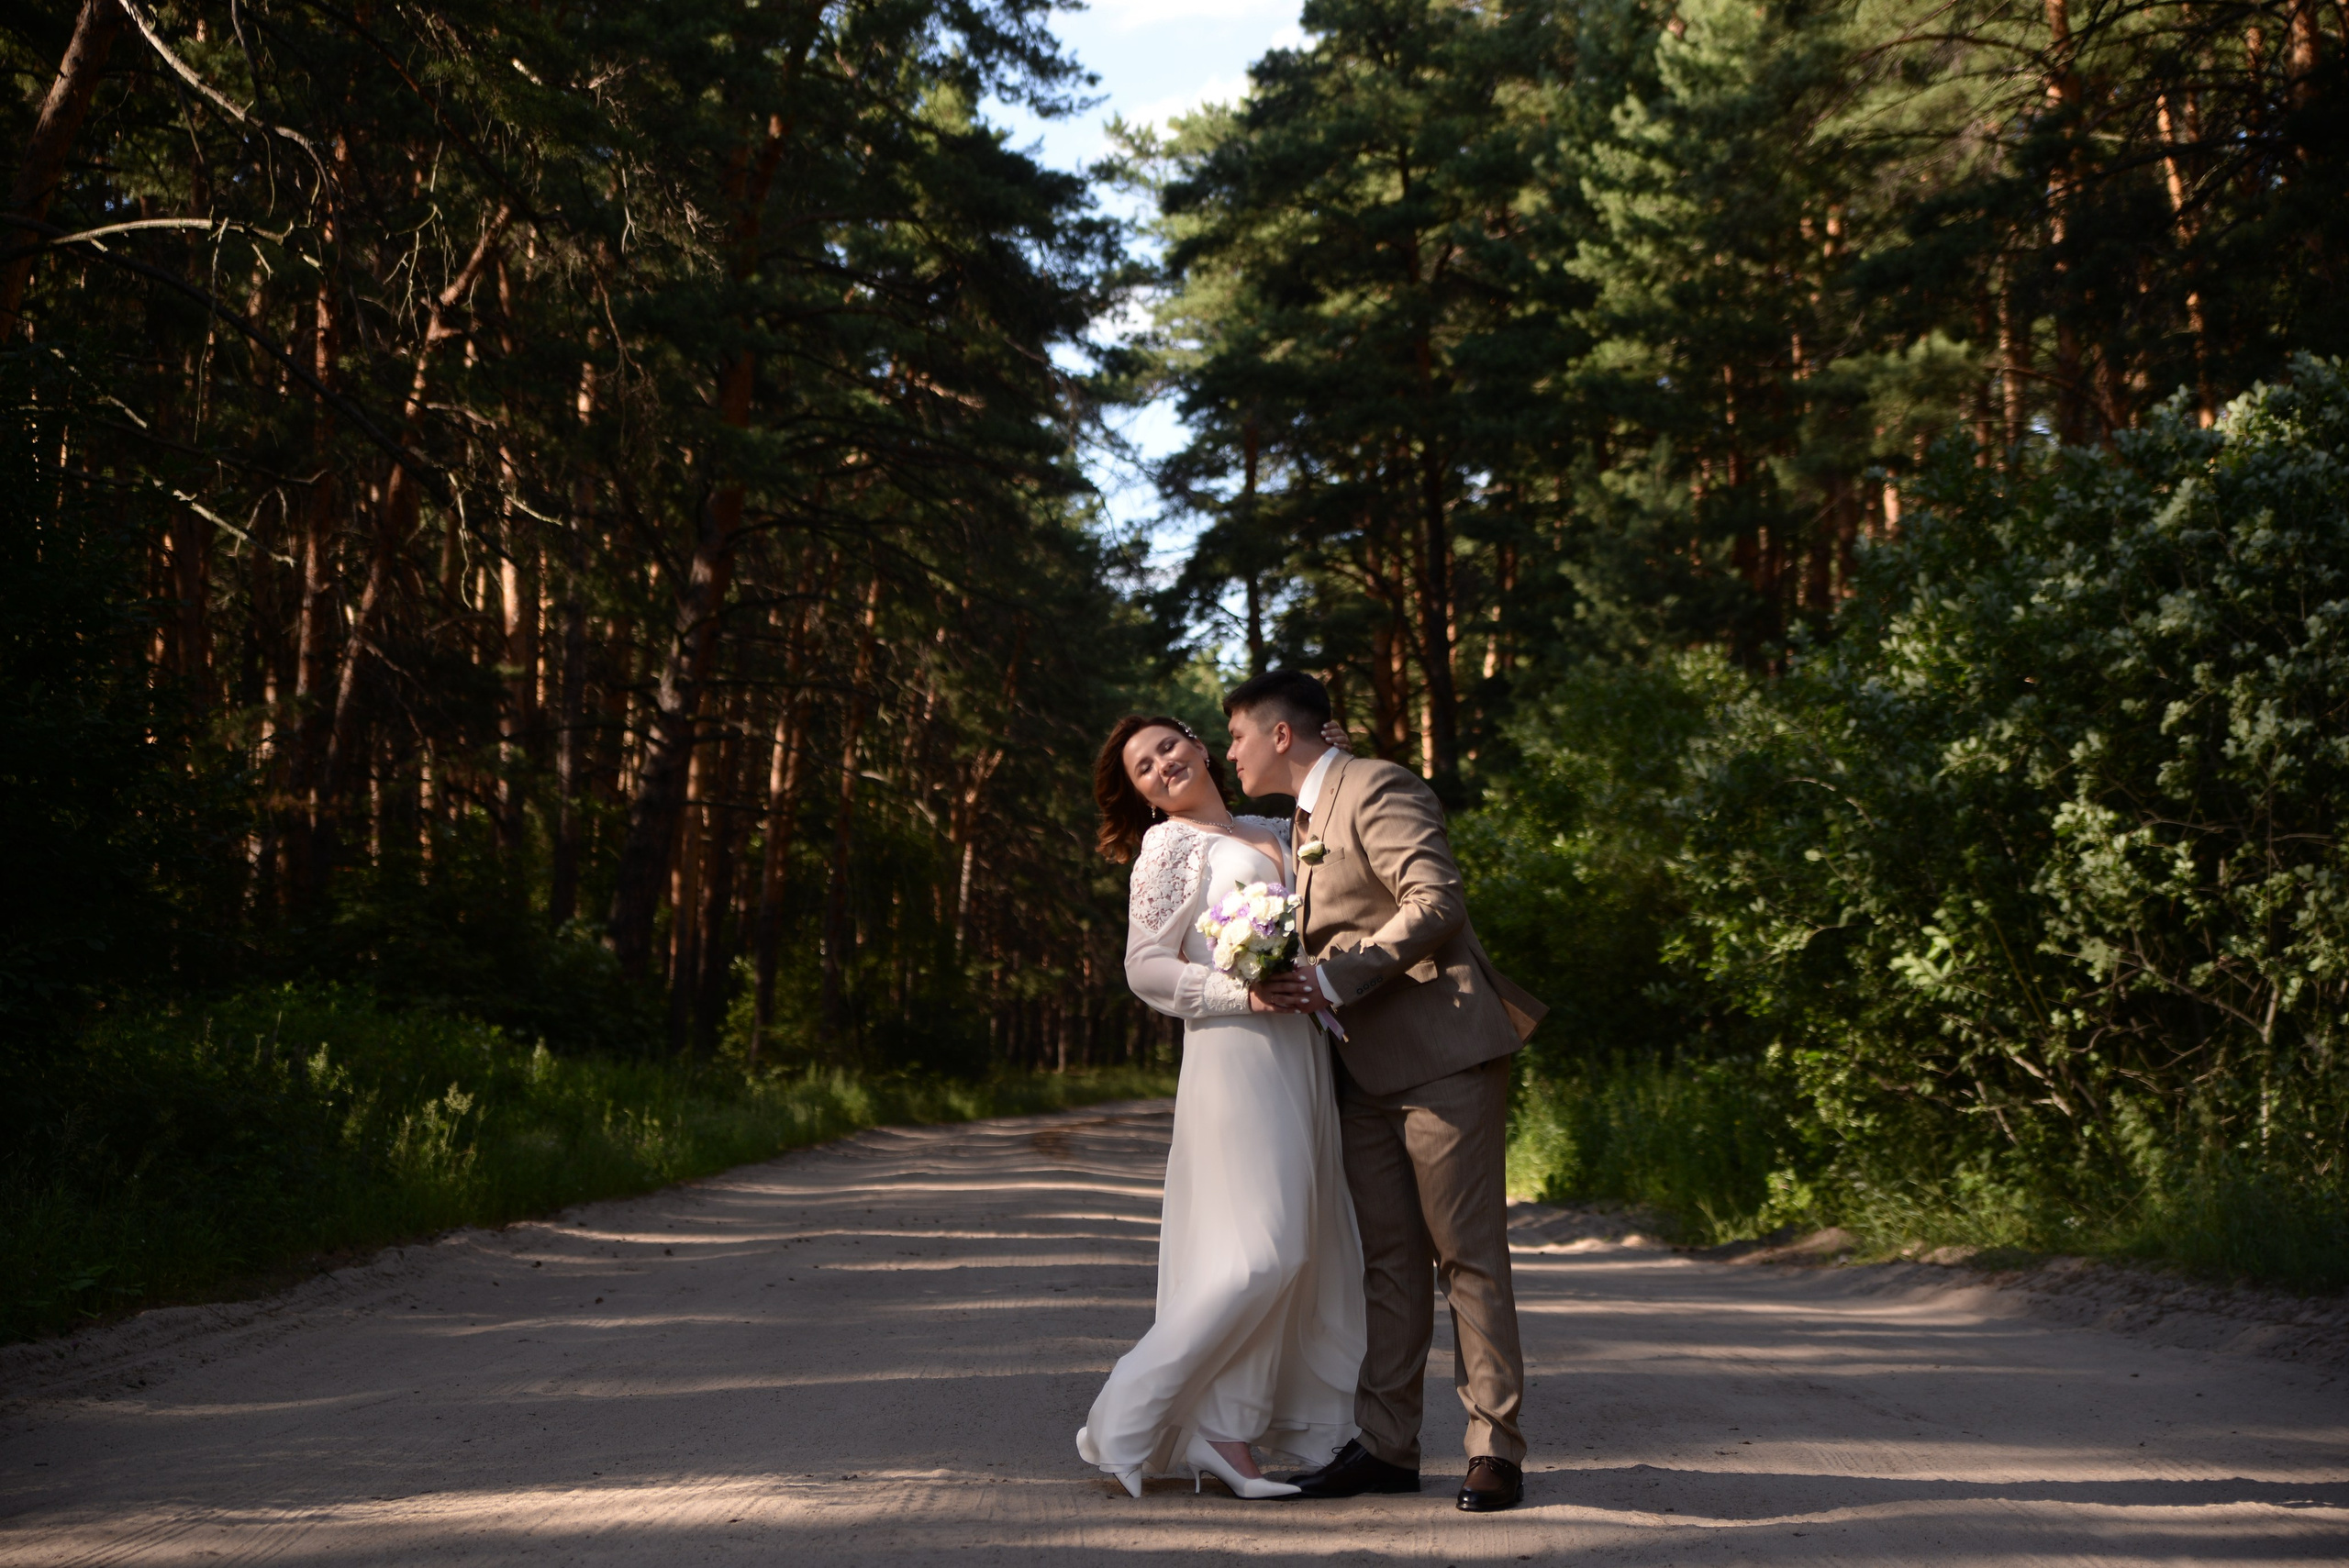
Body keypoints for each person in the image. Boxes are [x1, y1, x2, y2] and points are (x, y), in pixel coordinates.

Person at [1224, 669, 1547, 1514]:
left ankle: (1494, 1449)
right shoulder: (1296, 822)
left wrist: (1333, 978)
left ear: (1281, 734)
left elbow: (1434, 901)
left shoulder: (1376, 783)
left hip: (1440, 1053)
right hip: (1359, 1070)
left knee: (1466, 1256)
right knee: (1390, 1265)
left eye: (1236, 736)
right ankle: (1389, 1445)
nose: (1229, 751)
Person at [1074, 714, 1366, 1500]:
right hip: (1233, 1053)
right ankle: (1124, 1415)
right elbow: (1145, 968)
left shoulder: (1277, 825)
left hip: (1303, 1052)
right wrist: (1240, 991)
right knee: (1258, 1253)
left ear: (1202, 746)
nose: (1162, 765)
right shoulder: (1169, 847)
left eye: (1168, 746)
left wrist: (1332, 748)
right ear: (1140, 794)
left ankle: (1228, 1438)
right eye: (1143, 768)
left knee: (1302, 1251)